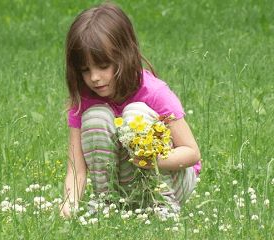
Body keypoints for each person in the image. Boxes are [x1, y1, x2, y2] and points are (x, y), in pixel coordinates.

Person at [60, 2, 201, 218]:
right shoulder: (85, 100)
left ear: (124, 55)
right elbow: (76, 168)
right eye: (85, 70)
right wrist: (68, 206)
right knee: (96, 116)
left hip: (172, 179)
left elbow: (192, 153)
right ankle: (108, 203)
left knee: (135, 113)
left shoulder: (154, 92)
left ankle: (162, 205)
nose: (94, 78)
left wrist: (151, 158)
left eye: (103, 66)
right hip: (126, 186)